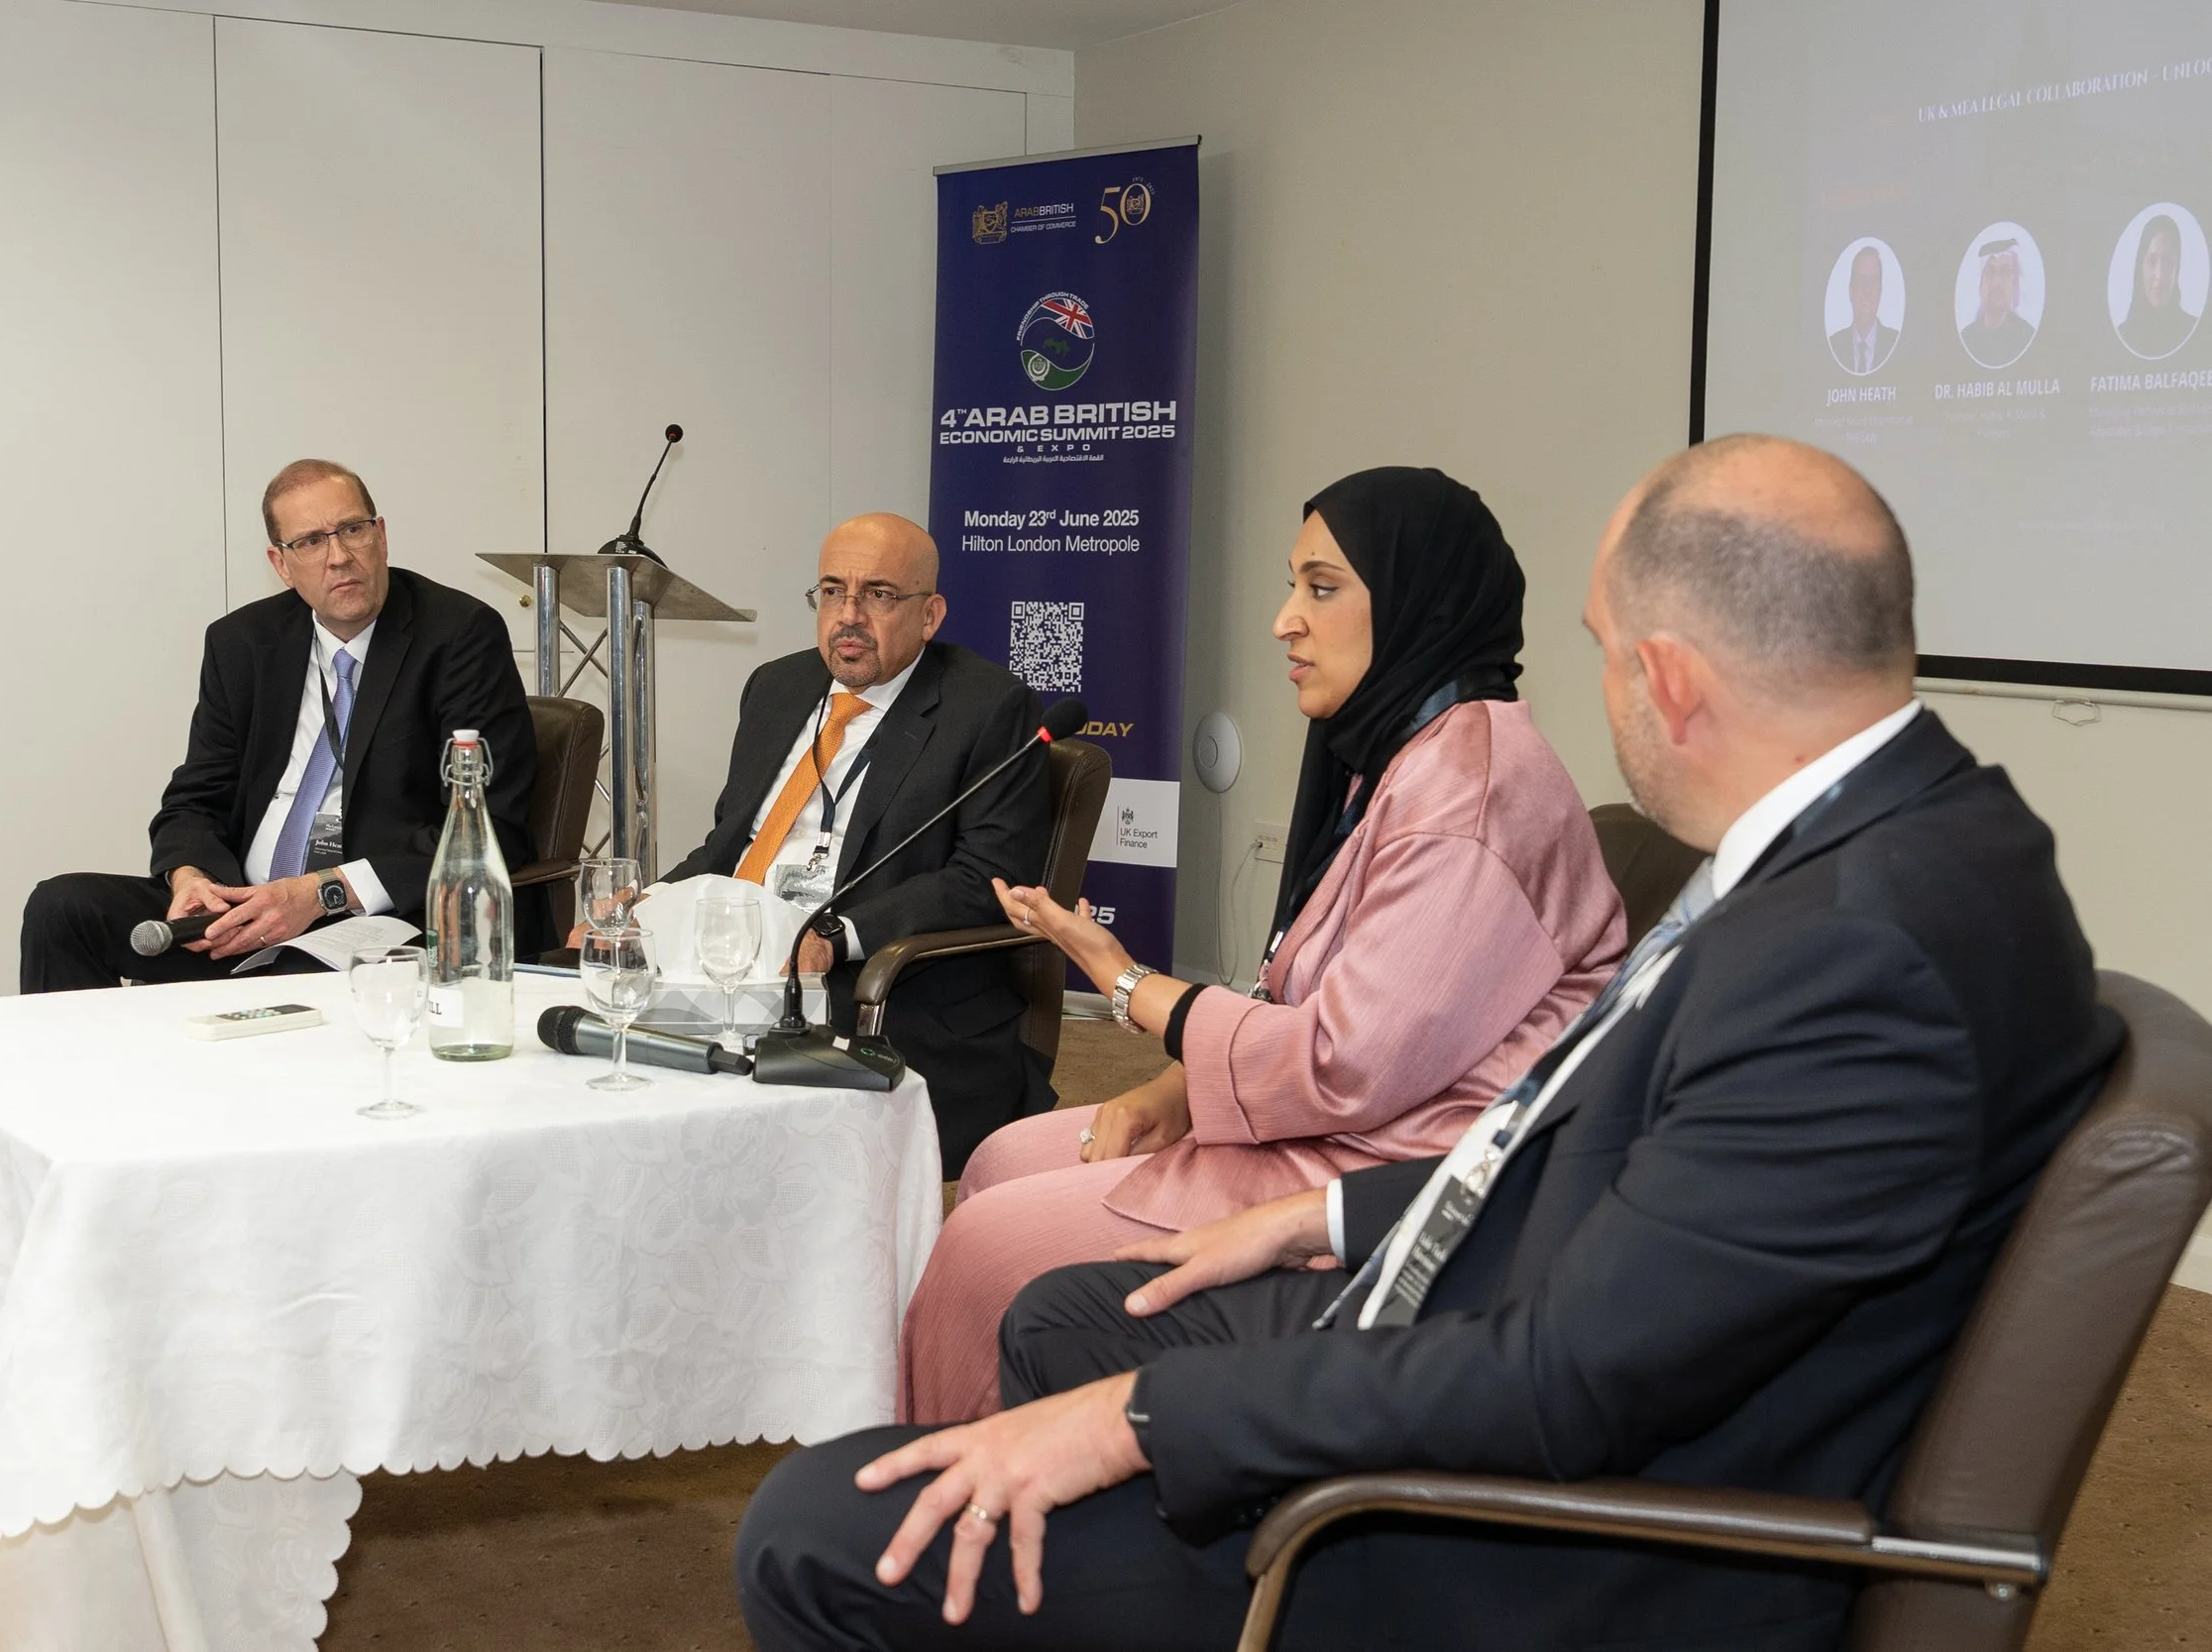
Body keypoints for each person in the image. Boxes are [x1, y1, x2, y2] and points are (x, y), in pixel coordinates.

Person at [735, 434, 2126, 1652]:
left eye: (1598, 651)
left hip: (1550, 1555)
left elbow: (1570, 1379)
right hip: (1535, 1340)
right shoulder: (1904, 845)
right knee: (1068, 1308)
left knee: (814, 1526)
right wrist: (1321, 1217)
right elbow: (1605, 1148)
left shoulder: (1858, 947)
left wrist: (1140, 1420)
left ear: (1668, 679)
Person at [896, 469, 1624, 1423]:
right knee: (998, 1160)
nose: (1285, 619)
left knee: (989, 1242)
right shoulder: (1408, 751)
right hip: (1341, 1125)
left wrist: (1125, 982)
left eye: (1321, 589)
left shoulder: (1469, 794)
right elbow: (1305, 986)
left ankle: (953, 1520)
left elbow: (1341, 1062)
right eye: (1293, 585)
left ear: (1412, 603)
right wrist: (1175, 1086)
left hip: (1385, 1167)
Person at [21, 459, 540, 991]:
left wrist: (318, 893)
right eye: (311, 541)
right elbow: (196, 798)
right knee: (63, 907)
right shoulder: (242, 643)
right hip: (244, 906)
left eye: (353, 530)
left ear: (381, 536)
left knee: (292, 976)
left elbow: (490, 825)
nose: (339, 557)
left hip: (372, 918)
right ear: (281, 563)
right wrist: (192, 878)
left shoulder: (458, 635)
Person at [659, 512, 1052, 1176]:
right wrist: (649, 901)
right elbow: (732, 844)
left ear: (930, 615)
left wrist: (833, 935)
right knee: (605, 1035)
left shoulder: (988, 709)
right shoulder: (776, 689)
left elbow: (981, 877)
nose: (849, 614)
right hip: (740, 958)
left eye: (878, 594)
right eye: (833, 591)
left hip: (879, 990)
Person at [2118, 212, 2199, 361]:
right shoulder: (2122, 336)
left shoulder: (2195, 332)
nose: (2159, 275)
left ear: (2178, 268)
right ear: (2140, 267)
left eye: (2168, 262)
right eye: (2152, 261)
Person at [1961, 237, 2038, 368]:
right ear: (1980, 284)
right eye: (1990, 273)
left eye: (2005, 272)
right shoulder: (1967, 338)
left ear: (2015, 284)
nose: (1996, 282)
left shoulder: (2026, 336)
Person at [1826, 245, 1898, 374]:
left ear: (1880, 291)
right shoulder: (1833, 346)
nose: (1867, 289)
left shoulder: (1896, 344)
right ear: (1851, 290)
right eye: (1861, 280)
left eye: (1873, 281)